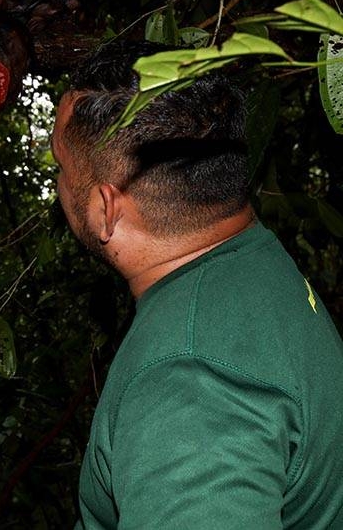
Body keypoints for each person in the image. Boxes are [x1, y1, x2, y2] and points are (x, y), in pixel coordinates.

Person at [52, 41, 343, 529]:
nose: (59, 181)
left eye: (61, 165)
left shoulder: (188, 389)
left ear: (106, 210)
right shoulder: (250, 254)